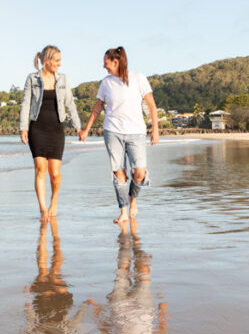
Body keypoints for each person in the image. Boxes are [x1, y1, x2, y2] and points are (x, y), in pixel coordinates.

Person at [79, 47, 160, 223]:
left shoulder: (138, 78)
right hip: (112, 131)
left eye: (106, 63)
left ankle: (133, 200)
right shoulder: (106, 83)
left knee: (139, 173)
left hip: (136, 132)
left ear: (115, 62)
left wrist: (155, 129)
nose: (104, 66)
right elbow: (97, 108)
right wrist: (86, 130)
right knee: (119, 172)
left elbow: (151, 105)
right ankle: (123, 211)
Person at [20, 45, 84, 218]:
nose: (59, 64)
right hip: (37, 128)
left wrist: (78, 126)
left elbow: (70, 103)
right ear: (46, 60)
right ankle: (42, 209)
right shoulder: (32, 78)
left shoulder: (62, 79)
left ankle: (54, 200)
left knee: (55, 173)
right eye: (57, 60)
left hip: (56, 129)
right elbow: (26, 103)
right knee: (40, 169)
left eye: (60, 60)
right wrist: (23, 128)